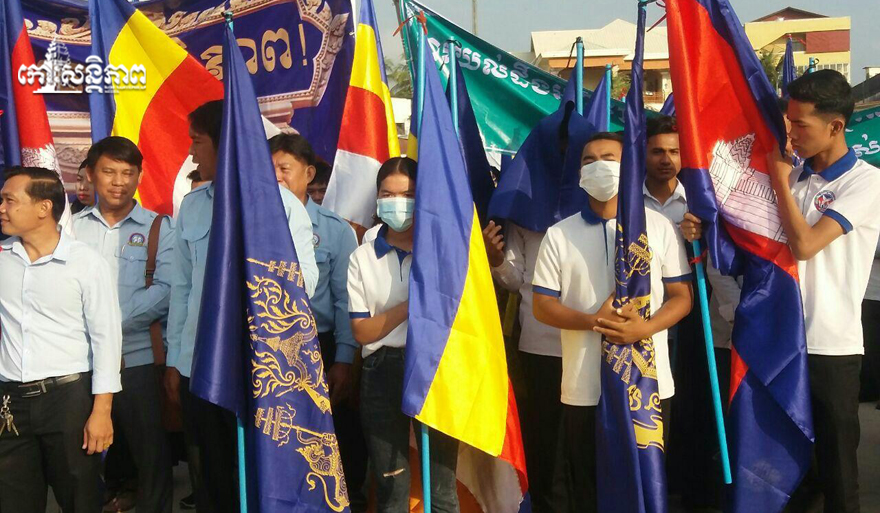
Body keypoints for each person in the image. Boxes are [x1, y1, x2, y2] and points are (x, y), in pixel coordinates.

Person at [683, 69, 880, 513]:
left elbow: (805, 245)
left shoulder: (864, 182)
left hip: (829, 345)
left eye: (800, 125)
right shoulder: (792, 177)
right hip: (776, 340)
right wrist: (704, 228)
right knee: (781, 467)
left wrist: (777, 178)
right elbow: (747, 242)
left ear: (836, 126)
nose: (789, 133)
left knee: (836, 471)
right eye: (788, 122)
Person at [165, 100, 318, 513]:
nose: (191, 152)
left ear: (225, 142)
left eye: (197, 141)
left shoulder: (281, 206)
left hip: (261, 369)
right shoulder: (193, 206)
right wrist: (176, 360)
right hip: (199, 364)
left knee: (257, 475)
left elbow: (305, 283)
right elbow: (182, 288)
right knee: (209, 476)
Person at [531, 132, 693, 513]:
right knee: (589, 487)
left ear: (629, 168)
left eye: (609, 158)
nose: (598, 166)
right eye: (589, 161)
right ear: (579, 173)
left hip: (648, 384)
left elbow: (682, 297)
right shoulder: (559, 234)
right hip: (585, 386)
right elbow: (542, 305)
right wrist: (593, 322)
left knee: (647, 484)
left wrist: (644, 328)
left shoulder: (659, 227)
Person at [0, 166, 122, 513]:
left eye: (10, 200)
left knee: (80, 499)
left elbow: (107, 340)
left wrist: (102, 411)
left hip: (68, 400)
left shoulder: (86, 263)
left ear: (44, 207)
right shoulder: (3, 258)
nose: (2, 208)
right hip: (10, 403)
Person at [347, 157, 460, 513]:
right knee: (391, 484)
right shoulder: (363, 257)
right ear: (377, 198)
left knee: (442, 487)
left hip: (434, 366)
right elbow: (362, 330)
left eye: (407, 194)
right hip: (382, 371)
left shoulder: (441, 252)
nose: (397, 202)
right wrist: (413, 305)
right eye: (388, 194)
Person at [72, 136, 174, 513]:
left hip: (137, 360)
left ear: (140, 177)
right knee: (81, 455)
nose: (118, 182)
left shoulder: (159, 227)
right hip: (81, 360)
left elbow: (166, 288)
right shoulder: (71, 229)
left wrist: (109, 324)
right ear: (90, 174)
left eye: (128, 173)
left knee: (150, 456)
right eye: (109, 172)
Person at [270, 133, 366, 510]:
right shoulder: (255, 223)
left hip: (317, 344)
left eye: (284, 168)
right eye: (270, 169)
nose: (277, 177)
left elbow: (344, 300)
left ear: (308, 174)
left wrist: (343, 359)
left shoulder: (334, 229)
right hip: (272, 349)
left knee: (332, 434)